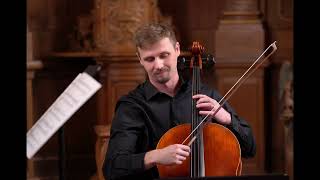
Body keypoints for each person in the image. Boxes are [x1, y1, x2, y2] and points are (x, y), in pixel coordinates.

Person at [103, 23, 256, 180]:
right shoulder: (132, 106)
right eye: (150, 59)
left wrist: (227, 118)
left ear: (177, 50)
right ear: (139, 59)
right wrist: (156, 156)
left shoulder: (207, 95)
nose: (158, 65)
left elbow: (250, 149)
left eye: (164, 55)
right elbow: (113, 167)